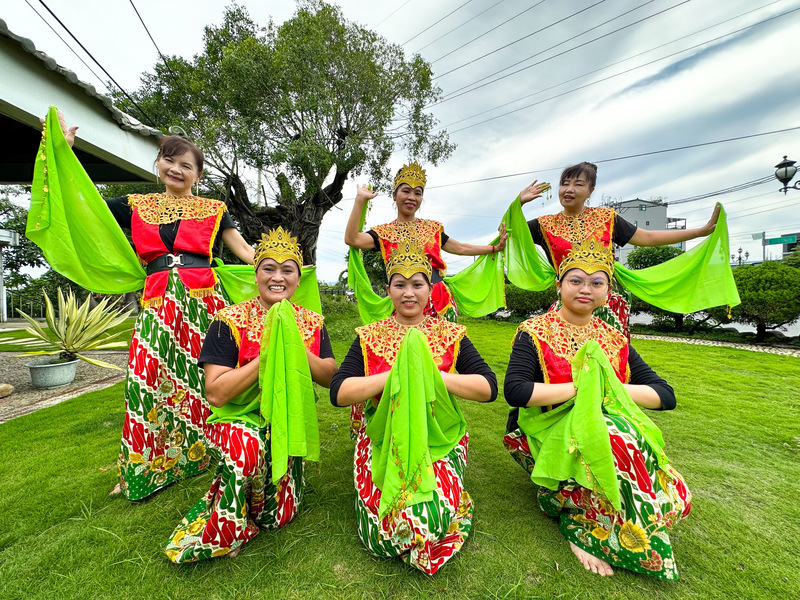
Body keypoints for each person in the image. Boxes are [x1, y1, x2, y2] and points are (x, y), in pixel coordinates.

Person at [46, 111, 255, 500]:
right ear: (158, 165)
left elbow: (243, 251)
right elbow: (83, 205)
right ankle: (141, 465)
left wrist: (283, 264)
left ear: (199, 176)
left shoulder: (214, 209)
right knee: (146, 381)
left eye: (186, 166)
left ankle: (211, 451)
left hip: (204, 304)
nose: (176, 169)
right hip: (157, 303)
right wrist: (66, 153)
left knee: (207, 378)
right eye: (169, 160)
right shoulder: (134, 204)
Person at [502, 238, 691, 580]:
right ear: (559, 285)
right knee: (613, 438)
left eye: (597, 282)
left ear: (607, 291)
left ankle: (629, 517)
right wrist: (583, 389)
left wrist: (604, 389)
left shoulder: (613, 338)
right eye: (576, 280)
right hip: (547, 425)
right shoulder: (534, 332)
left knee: (629, 436)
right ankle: (586, 528)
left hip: (603, 421)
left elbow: (664, 395)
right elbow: (515, 391)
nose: (585, 289)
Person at [165, 227, 337, 563]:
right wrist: (267, 357)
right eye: (268, 268)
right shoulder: (228, 321)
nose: (278, 276)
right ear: (255, 275)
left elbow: (331, 378)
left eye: (288, 269)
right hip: (236, 419)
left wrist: (291, 346)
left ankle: (256, 494)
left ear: (298, 279)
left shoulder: (311, 322)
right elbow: (215, 394)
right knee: (247, 446)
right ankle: (228, 529)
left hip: (286, 420)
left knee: (278, 517)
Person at [330, 239, 498, 574]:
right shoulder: (369, 335)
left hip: (439, 437)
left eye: (418, 284)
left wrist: (429, 375)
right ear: (388, 290)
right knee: (383, 535)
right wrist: (398, 375)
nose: (409, 293)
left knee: (425, 520)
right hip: (383, 438)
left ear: (430, 289)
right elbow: (340, 392)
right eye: (400, 284)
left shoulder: (450, 334)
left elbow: (488, 388)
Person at [513, 161, 721, 335]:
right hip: (570, 301)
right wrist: (518, 204)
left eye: (578, 184)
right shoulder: (544, 224)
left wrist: (699, 232)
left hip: (608, 302)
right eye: (565, 184)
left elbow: (647, 237)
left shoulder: (607, 218)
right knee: (563, 357)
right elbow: (509, 232)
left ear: (590, 191)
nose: (569, 190)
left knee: (608, 361)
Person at [344, 161, 508, 321]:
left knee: (443, 346)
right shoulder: (383, 233)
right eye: (406, 191)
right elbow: (352, 239)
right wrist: (360, 200)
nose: (411, 197)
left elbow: (461, 247)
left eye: (417, 193)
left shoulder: (432, 229)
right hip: (403, 300)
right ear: (394, 195)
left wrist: (495, 248)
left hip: (438, 299)